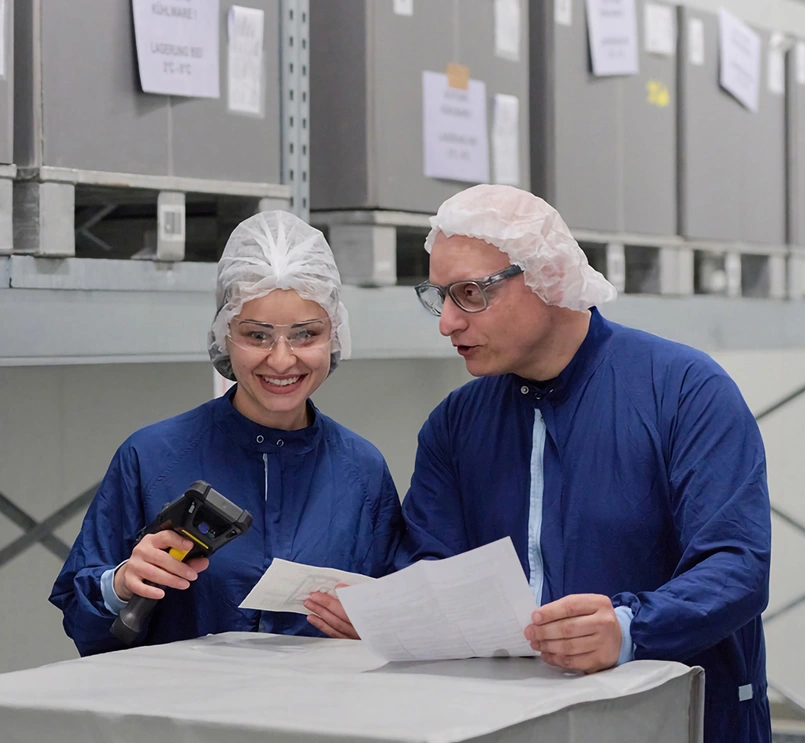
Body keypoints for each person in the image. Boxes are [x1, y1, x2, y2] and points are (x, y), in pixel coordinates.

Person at [306, 185, 772, 743]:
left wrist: (630, 628)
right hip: (506, 722)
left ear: (546, 277)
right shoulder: (456, 423)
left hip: (676, 720)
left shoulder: (685, 392)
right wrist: (392, 615)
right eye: (440, 297)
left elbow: (736, 566)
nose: (447, 323)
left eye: (469, 294)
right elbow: (434, 565)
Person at [50, 211, 403, 656]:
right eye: (256, 335)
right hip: (183, 701)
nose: (281, 360)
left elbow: (398, 614)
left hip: (323, 701)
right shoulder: (153, 457)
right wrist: (120, 585)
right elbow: (82, 623)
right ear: (224, 334)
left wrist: (376, 627)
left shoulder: (363, 471)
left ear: (335, 335)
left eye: (305, 334)